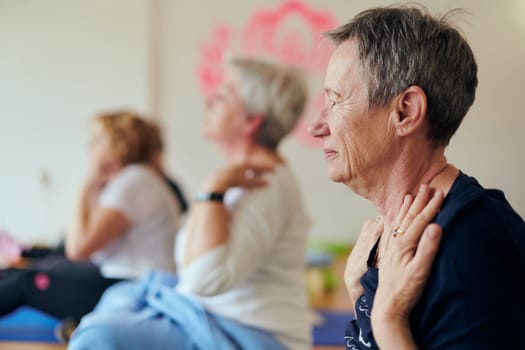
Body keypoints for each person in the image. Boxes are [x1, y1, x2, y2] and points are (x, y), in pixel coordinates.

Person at [309, 5, 525, 349]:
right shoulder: (388, 235)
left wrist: (386, 319)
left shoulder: (475, 242)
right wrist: (361, 294)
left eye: (336, 100)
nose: (316, 126)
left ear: (405, 111)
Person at [68, 57, 312, 350]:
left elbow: (202, 280)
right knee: (116, 299)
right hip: (215, 318)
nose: (209, 101)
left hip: (249, 335)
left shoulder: (263, 184)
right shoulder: (241, 178)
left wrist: (210, 192)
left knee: (97, 338)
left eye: (222, 96)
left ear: (251, 120)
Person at [0, 111, 183, 324]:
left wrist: (86, 186)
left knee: (24, 283)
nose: (89, 146)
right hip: (131, 282)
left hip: (135, 289)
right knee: (17, 273)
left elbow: (77, 249)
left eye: (97, 139)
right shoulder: (137, 180)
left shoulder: (133, 182)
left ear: (120, 145)